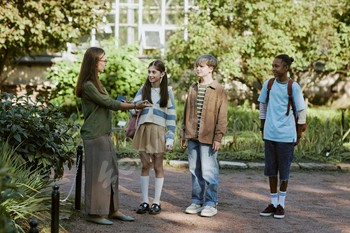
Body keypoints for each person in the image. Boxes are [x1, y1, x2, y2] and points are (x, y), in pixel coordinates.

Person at [75, 47, 151, 225]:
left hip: (103, 134)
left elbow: (107, 103)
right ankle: (94, 213)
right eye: (104, 60)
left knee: (111, 174)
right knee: (98, 175)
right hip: (94, 135)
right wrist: (134, 106)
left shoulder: (97, 83)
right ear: (94, 62)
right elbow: (108, 103)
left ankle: (112, 210)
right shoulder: (88, 86)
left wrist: (124, 103)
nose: (106, 63)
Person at [258, 54, 307, 219]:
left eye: (277, 66)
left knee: (284, 172)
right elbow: (263, 106)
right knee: (271, 170)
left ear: (286, 68)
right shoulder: (268, 84)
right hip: (270, 135)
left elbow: (302, 112)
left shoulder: (294, 87)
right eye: (272, 65)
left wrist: (298, 135)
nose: (273, 69)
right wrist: (263, 129)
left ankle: (281, 205)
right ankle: (273, 203)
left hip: (286, 136)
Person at [180, 54, 228, 217]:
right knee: (194, 170)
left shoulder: (218, 89)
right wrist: (183, 132)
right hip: (192, 135)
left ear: (211, 68)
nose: (198, 69)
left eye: (201, 66)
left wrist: (218, 138)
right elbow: (187, 111)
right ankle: (197, 201)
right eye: (197, 66)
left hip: (209, 138)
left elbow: (222, 116)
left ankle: (211, 202)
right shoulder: (193, 87)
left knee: (209, 170)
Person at [130, 60, 176, 215]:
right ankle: (144, 201)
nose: (151, 75)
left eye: (154, 72)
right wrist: (136, 108)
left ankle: (156, 202)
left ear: (162, 74)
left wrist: (170, 138)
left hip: (158, 131)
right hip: (143, 129)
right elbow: (132, 110)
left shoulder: (167, 91)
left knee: (157, 166)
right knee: (144, 165)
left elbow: (171, 116)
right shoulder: (143, 89)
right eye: (149, 71)